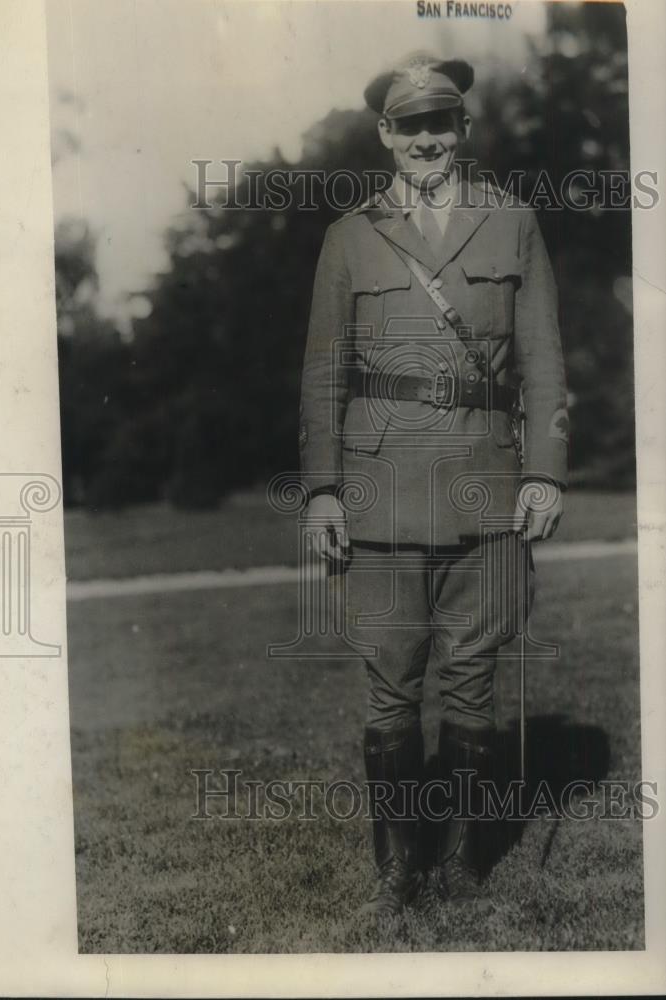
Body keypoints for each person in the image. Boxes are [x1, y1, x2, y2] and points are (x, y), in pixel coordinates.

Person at [298, 51, 568, 918]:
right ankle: (396, 872)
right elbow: (321, 375)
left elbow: (545, 364)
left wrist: (545, 474)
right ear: (384, 136)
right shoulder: (350, 235)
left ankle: (457, 867)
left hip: (487, 482)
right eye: (407, 126)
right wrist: (322, 490)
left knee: (472, 679)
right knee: (389, 681)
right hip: (378, 490)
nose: (424, 140)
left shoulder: (511, 221)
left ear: (461, 131)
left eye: (438, 124)